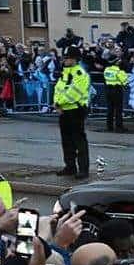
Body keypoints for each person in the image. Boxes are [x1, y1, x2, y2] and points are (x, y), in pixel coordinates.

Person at [53, 46, 92, 179]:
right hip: (64, 111)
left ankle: (83, 169)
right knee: (67, 141)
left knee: (79, 141)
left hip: (76, 110)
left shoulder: (80, 73)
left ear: (75, 59)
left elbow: (75, 93)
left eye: (67, 58)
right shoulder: (65, 73)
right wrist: (56, 103)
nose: (64, 60)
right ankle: (70, 166)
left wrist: (59, 103)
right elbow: (58, 89)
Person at [103, 57, 128, 133]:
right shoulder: (119, 71)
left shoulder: (106, 70)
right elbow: (125, 81)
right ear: (116, 62)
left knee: (110, 109)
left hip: (108, 90)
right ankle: (119, 127)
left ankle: (109, 126)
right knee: (118, 110)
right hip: (117, 90)